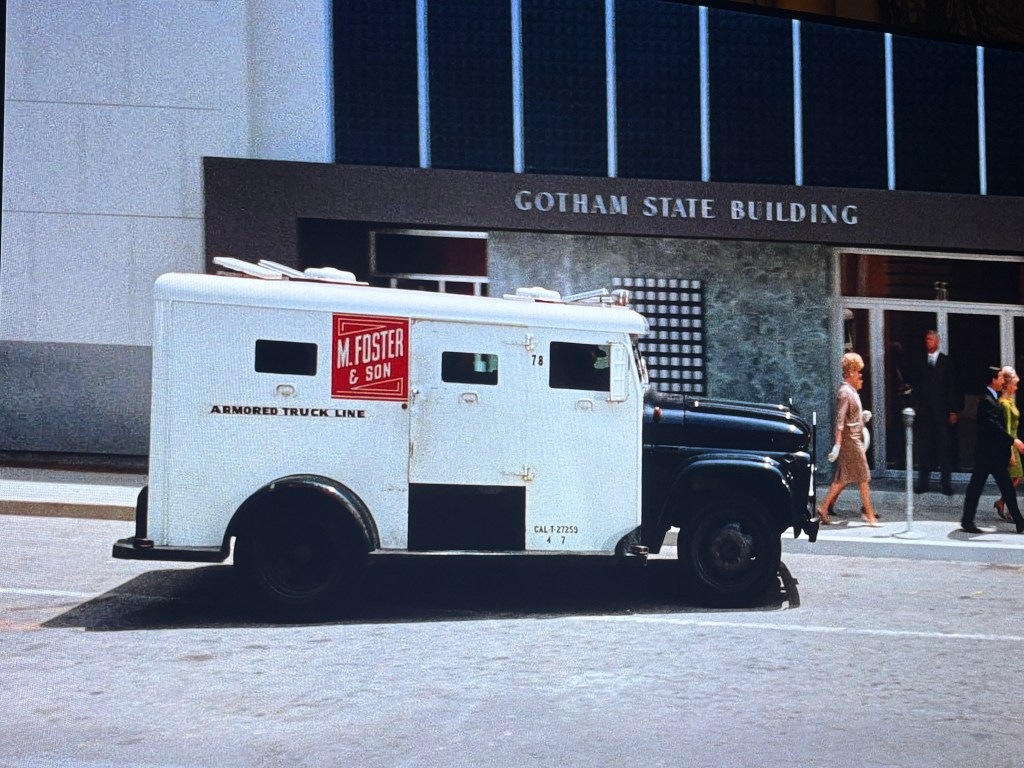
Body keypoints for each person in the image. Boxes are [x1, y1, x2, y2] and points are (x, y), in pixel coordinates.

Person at [960, 367, 1024, 534]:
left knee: (1005, 489)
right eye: (1001, 378)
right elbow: (994, 427)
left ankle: (1019, 522)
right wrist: (1013, 441)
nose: (1004, 382)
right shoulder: (986, 401)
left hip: (994, 456)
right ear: (993, 380)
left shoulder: (994, 399)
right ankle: (967, 521)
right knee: (977, 488)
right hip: (987, 456)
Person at [818, 352, 879, 526]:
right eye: (858, 371)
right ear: (851, 371)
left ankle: (824, 507)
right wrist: (837, 445)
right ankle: (869, 515)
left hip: (854, 437)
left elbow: (850, 417)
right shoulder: (844, 392)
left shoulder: (851, 391)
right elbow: (840, 420)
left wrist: (862, 418)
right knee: (863, 477)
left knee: (843, 478)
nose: (860, 375)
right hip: (850, 440)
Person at [912, 330, 959, 495]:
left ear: (937, 342)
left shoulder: (946, 362)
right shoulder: (921, 362)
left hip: (942, 413)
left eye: (931, 339)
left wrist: (953, 410)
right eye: (926, 339)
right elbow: (916, 386)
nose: (928, 342)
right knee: (924, 449)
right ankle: (923, 483)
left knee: (944, 449)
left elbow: (952, 388)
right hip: (925, 414)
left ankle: (945, 484)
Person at [994, 367, 1021, 523]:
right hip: (1010, 446)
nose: (1016, 388)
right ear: (1008, 385)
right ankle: (1009, 508)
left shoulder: (1009, 401)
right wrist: (1011, 451)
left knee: (1016, 478)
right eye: (1015, 385)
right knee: (1013, 478)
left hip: (1014, 444)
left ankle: (1002, 503)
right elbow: (1007, 429)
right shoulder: (1004, 404)